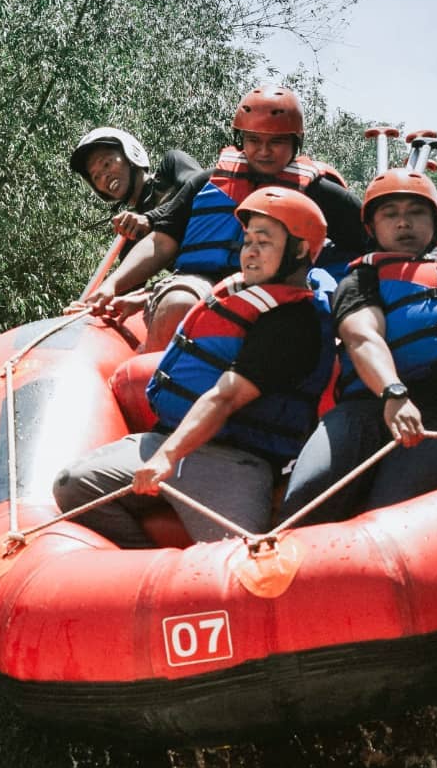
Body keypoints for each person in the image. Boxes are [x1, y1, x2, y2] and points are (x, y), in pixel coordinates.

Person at [53, 187, 336, 547]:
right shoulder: (244, 288)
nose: (249, 251)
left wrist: (166, 458)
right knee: (73, 485)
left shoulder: (295, 325)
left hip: (232, 463)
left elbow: (226, 397)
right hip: (167, 437)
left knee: (240, 563)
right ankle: (144, 567)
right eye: (247, 241)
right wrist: (138, 299)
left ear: (299, 250)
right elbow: (209, 306)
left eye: (263, 242)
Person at [279, 167, 437, 525]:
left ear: (435, 221)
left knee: (390, 514)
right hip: (366, 409)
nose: (404, 224)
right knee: (306, 501)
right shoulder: (360, 277)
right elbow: (362, 336)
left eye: (415, 212)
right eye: (390, 214)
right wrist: (393, 392)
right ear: (371, 227)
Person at [85, 86, 365, 349]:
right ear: (240, 140)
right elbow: (162, 240)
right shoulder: (207, 182)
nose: (264, 151)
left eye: (276, 142)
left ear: (296, 143)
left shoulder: (319, 192)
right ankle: (155, 387)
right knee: (177, 302)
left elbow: (368, 239)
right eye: (254, 140)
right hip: (202, 281)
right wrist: (112, 284)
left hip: (283, 289)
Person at [69, 128, 203, 242]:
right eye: (96, 177)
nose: (104, 177)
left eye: (106, 164)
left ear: (130, 154)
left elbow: (204, 189)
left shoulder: (170, 165)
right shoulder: (134, 232)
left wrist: (150, 219)